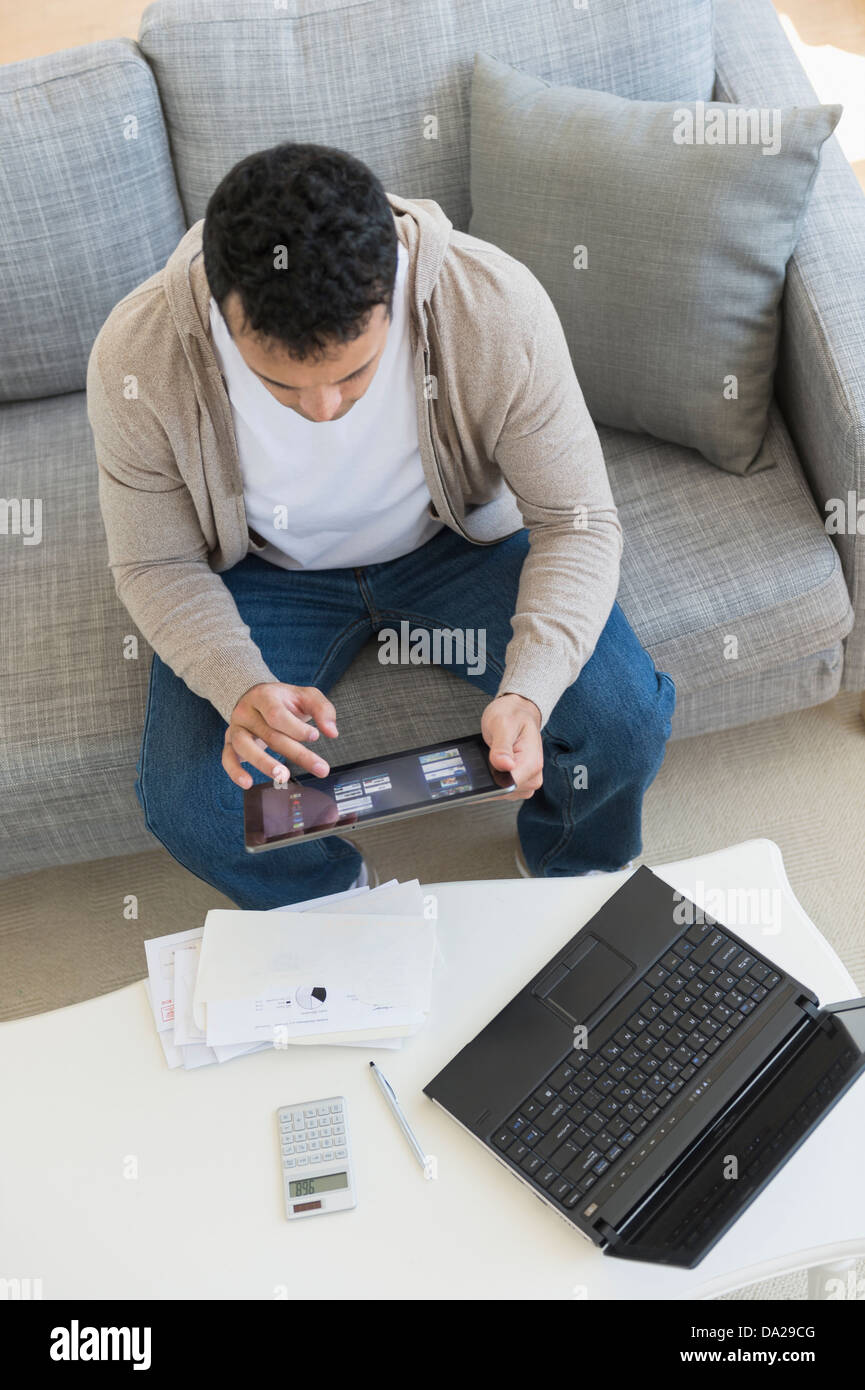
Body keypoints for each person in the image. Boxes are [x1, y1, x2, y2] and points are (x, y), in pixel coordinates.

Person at [86, 142, 675, 910]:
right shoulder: (137, 356)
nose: (323, 409)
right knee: (194, 806)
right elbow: (154, 563)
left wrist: (528, 693)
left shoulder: (491, 306)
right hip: (263, 574)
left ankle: (569, 869)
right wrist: (240, 685)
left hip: (456, 544)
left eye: (352, 374)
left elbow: (577, 521)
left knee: (621, 722)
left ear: (395, 288)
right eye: (279, 384)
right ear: (220, 309)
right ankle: (336, 899)